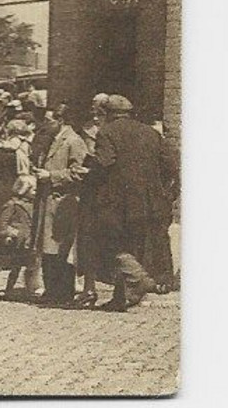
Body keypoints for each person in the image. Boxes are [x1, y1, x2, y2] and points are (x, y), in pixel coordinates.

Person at [81, 94, 169, 311]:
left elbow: (105, 162)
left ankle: (140, 279)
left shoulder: (107, 132)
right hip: (148, 202)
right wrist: (165, 192)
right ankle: (122, 297)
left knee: (110, 244)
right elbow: (170, 164)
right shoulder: (151, 133)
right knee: (133, 246)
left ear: (109, 114)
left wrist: (87, 171)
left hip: (117, 202)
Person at [31, 110, 89, 304]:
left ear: (60, 120)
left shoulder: (74, 141)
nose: (45, 124)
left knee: (61, 248)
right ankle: (51, 291)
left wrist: (52, 176)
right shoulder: (51, 140)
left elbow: (79, 173)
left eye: (49, 120)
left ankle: (63, 292)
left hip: (63, 202)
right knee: (48, 248)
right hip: (48, 201)